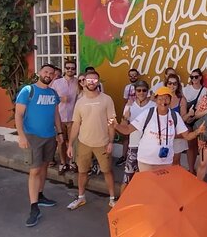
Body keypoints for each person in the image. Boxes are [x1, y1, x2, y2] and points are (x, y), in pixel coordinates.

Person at [14, 64, 63, 228]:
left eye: (51, 73)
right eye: (46, 72)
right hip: (33, 137)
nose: (48, 75)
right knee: (34, 170)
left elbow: (56, 114)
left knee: (43, 167)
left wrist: (60, 133)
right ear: (39, 73)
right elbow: (18, 114)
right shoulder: (28, 91)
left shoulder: (53, 93)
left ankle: (40, 195)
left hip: (50, 136)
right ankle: (34, 208)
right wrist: (21, 136)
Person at [112, 86, 206, 171]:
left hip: (165, 162)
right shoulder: (148, 113)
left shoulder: (175, 116)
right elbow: (128, 130)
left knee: (161, 188)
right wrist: (116, 125)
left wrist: (198, 131)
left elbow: (187, 136)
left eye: (166, 98)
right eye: (160, 99)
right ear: (156, 100)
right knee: (148, 188)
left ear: (170, 100)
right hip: (146, 161)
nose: (163, 102)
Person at [66, 70, 118, 210]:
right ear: (84, 82)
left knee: (107, 171)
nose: (92, 83)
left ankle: (112, 199)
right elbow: (76, 124)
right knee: (82, 172)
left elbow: (111, 121)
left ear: (98, 82)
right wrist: (70, 144)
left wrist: (111, 142)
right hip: (84, 143)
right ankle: (81, 197)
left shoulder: (106, 99)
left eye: (95, 80)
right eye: (89, 80)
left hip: (103, 143)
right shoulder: (80, 102)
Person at [120, 80, 155, 194]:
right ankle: (121, 204)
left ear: (148, 91)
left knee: (146, 178)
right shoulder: (129, 106)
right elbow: (123, 128)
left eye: (144, 90)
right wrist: (125, 118)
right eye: (138, 90)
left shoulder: (153, 106)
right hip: (133, 145)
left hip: (148, 147)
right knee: (127, 177)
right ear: (135, 92)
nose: (141, 93)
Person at [50, 60, 78, 174]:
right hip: (59, 118)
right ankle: (63, 162)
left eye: (72, 68)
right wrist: (61, 99)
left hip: (73, 118)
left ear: (75, 70)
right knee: (60, 141)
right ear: (65, 69)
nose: (70, 70)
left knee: (73, 142)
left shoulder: (78, 82)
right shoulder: (57, 83)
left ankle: (72, 162)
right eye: (68, 68)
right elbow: (51, 98)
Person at [182, 69, 207, 173]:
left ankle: (201, 170)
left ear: (200, 77)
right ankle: (191, 169)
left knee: (201, 145)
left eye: (196, 77)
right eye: (192, 77)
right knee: (190, 145)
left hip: (200, 120)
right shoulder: (185, 90)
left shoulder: (205, 90)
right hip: (188, 119)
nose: (194, 79)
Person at [118, 68, 141, 167]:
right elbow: (125, 100)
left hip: (138, 111)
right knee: (125, 134)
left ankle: (138, 158)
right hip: (128, 110)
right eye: (131, 75)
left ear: (138, 76)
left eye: (134, 75)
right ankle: (124, 156)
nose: (132, 77)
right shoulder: (127, 87)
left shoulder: (141, 86)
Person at [165, 74, 189, 166]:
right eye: (170, 83)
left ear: (178, 85)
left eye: (174, 84)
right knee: (164, 162)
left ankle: (175, 180)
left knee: (175, 161)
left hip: (177, 134)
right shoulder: (162, 98)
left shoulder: (181, 99)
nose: (172, 86)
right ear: (166, 84)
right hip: (164, 134)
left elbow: (182, 119)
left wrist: (189, 115)